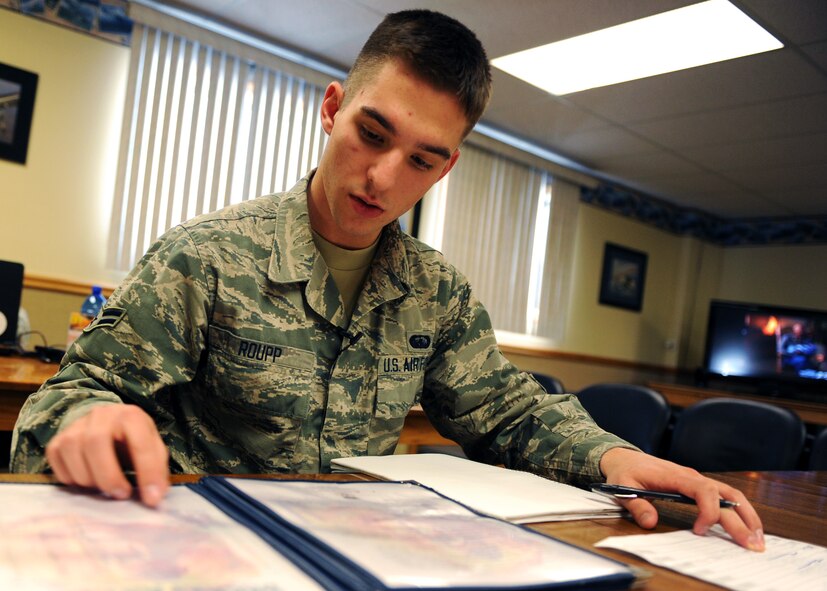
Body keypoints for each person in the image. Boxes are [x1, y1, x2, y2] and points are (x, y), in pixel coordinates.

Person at [11, 9, 764, 551]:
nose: (381, 177)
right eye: (371, 134)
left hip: (364, 556)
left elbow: (505, 412)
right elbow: (66, 396)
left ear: (448, 165)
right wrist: (85, 421)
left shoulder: (434, 293)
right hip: (202, 555)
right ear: (332, 109)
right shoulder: (204, 256)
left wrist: (619, 459)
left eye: (421, 159)